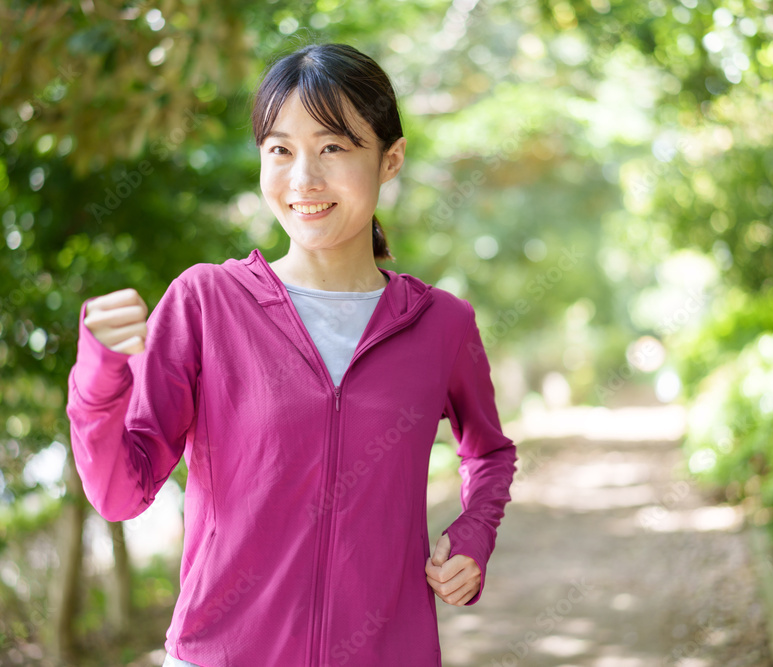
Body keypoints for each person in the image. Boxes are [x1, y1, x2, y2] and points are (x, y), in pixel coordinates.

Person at [65, 41, 517, 667]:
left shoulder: (442, 324)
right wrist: (99, 379)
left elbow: (488, 452)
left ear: (391, 159)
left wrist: (473, 536)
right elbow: (122, 494)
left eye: (333, 147)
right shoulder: (205, 302)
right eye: (281, 150)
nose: (304, 178)